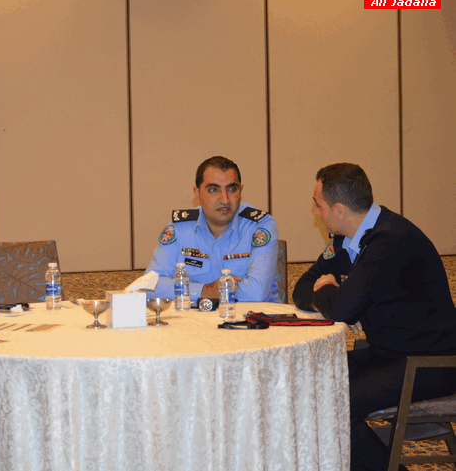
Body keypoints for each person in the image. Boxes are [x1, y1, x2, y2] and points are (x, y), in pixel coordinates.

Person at [292, 163, 456, 471]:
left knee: (329, 405)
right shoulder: (345, 239)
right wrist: (332, 295)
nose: (315, 212)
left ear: (339, 210)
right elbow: (302, 288)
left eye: (318, 205)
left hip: (430, 362)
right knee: (305, 380)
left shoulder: (389, 240)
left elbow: (341, 308)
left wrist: (330, 293)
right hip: (389, 351)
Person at [145, 156, 279, 303]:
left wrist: (214, 291)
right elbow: (150, 285)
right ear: (197, 194)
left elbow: (256, 293)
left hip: (252, 316)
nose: (225, 199)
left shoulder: (259, 226)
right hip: (197, 316)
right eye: (214, 190)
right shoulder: (181, 227)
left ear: (241, 191)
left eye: (232, 189)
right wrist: (205, 291)